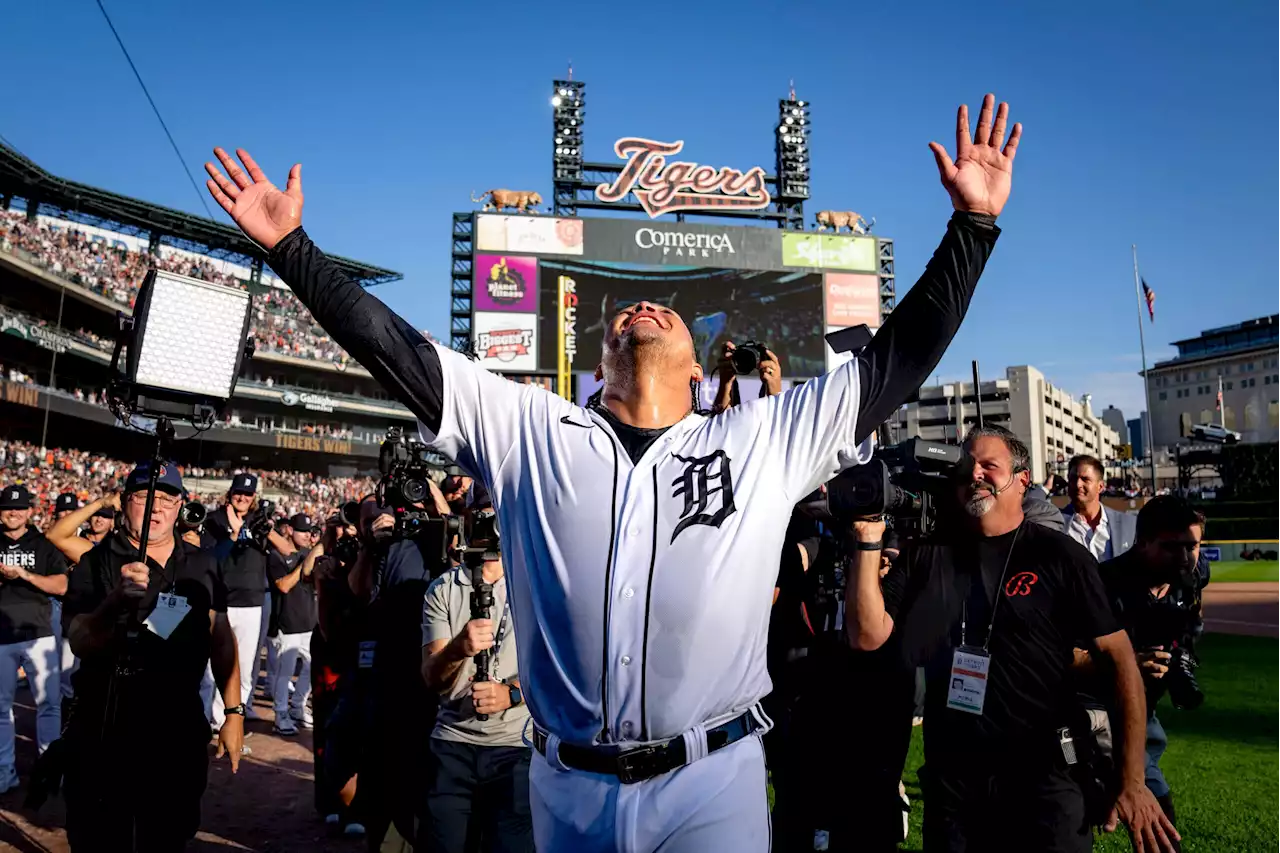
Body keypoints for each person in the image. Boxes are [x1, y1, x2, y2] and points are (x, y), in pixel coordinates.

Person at [206, 92, 1018, 851]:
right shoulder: (529, 427)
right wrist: (293, 250)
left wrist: (973, 230)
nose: (642, 307)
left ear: (699, 369)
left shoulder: (761, 436)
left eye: (664, 309)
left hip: (713, 782)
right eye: (622, 314)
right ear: (598, 359)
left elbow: (896, 361)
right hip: (568, 788)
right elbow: (396, 350)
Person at [845, 426, 1179, 853]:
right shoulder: (926, 553)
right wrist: (867, 541)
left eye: (989, 465)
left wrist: (1132, 780)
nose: (976, 474)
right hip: (956, 787)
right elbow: (867, 635)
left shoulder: (1060, 555)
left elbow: (1120, 661)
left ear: (1022, 480)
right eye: (967, 466)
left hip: (1045, 780)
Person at [61, 461, 243, 851]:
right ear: (126, 503)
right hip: (105, 719)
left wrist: (233, 712)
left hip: (176, 722)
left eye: (167, 498)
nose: (156, 508)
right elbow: (78, 640)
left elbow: (222, 640)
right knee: (100, 836)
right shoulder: (95, 562)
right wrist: (113, 602)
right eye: (145, 497)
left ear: (180, 507)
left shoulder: (203, 564)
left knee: (168, 834)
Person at [1093, 497, 1209, 838]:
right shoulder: (1103, 584)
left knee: (1155, 820)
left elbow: (1191, 616)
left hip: (1142, 714)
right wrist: (1127, 664)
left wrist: (1183, 652)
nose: (1185, 557)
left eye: (1193, 546)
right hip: (1090, 714)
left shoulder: (1194, 573)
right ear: (1142, 542)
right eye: (1172, 547)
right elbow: (1062, 657)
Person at [421, 509, 534, 853]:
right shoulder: (444, 588)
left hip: (517, 746)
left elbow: (564, 675)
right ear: (466, 518)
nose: (491, 521)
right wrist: (460, 648)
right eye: (482, 511)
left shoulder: (536, 585)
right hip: (453, 743)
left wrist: (512, 694)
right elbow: (432, 679)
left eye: (498, 510)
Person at [0, 483, 67, 792]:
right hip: (1, 635)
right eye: (6, 508)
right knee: (0, 708)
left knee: (49, 704)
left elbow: (61, 585)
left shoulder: (42, 544)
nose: (12, 512)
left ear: (29, 512)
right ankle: (4, 771)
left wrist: (24, 575)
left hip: (39, 633)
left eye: (18, 508)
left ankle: (48, 769)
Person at [200, 473, 281, 725]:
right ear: (230, 493)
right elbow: (207, 558)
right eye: (238, 493)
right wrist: (233, 534)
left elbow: (288, 551)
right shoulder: (213, 520)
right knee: (209, 670)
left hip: (251, 603)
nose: (242, 498)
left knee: (243, 670)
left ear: (254, 497)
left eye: (248, 494)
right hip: (218, 601)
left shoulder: (260, 521)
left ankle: (229, 723)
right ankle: (204, 721)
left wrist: (269, 530)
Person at [45, 493, 122, 722]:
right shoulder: (87, 547)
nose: (98, 520)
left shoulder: (114, 548)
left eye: (104, 516)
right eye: (96, 515)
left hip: (108, 627)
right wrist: (100, 503)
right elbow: (54, 535)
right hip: (75, 621)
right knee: (67, 683)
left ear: (113, 521)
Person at [269, 513, 321, 736]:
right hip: (288, 622)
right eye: (302, 531)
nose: (308, 536)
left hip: (309, 622)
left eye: (310, 532)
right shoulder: (276, 556)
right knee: (285, 672)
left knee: (313, 666)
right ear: (289, 530)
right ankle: (280, 713)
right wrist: (304, 565)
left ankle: (298, 705)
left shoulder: (309, 554)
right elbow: (283, 585)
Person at [1058, 455, 1136, 560]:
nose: (1078, 484)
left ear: (1100, 486)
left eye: (1085, 479)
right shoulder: (1056, 524)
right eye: (1073, 479)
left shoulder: (1128, 523)